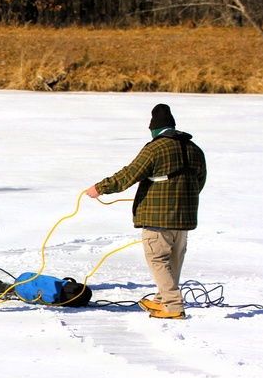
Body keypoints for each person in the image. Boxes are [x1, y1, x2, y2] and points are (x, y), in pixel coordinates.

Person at [85, 104, 206, 320]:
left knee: (158, 259)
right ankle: (161, 299)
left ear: (154, 129)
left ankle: (173, 305)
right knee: (173, 260)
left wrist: (100, 188)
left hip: (158, 218)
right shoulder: (194, 149)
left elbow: (129, 175)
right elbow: (200, 181)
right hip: (185, 218)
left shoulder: (155, 148)